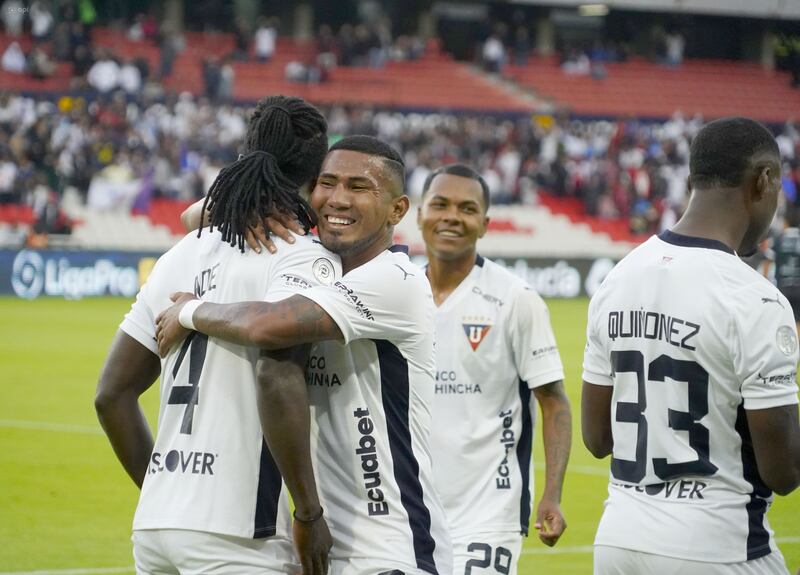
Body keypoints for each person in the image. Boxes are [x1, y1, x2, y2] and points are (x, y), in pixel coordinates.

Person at [156, 135, 453, 575]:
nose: (338, 199)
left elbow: (266, 327)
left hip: (391, 548)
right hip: (321, 552)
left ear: (397, 210)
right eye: (327, 183)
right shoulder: (314, 269)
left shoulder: (395, 280)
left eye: (358, 187)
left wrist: (189, 311)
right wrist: (260, 202)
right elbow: (193, 215)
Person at [95, 95, 335, 575]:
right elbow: (275, 376)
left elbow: (111, 395)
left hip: (158, 528)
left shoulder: (185, 251)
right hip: (241, 535)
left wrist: (172, 495)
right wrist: (309, 512)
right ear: (315, 177)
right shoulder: (303, 257)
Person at [582, 117, 800, 575]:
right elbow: (784, 473)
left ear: (691, 180)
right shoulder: (755, 297)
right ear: (764, 180)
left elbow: (598, 439)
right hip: (717, 547)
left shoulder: (617, 278)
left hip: (618, 541)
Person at [418, 164, 571, 574]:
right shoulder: (400, 297)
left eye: (467, 209)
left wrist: (552, 493)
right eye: (440, 204)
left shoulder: (514, 299)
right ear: (419, 213)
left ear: (484, 225)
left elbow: (554, 402)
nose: (452, 215)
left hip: (487, 512)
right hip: (408, 511)